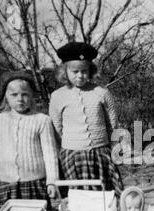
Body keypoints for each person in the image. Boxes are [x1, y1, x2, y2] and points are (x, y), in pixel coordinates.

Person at [49, 42, 123, 195]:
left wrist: (109, 144)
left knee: (105, 196)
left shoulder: (101, 93)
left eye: (84, 71)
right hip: (73, 155)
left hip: (100, 153)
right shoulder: (58, 96)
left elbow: (112, 122)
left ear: (90, 70)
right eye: (74, 71)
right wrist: (73, 142)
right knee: (79, 198)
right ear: (65, 71)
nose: (80, 75)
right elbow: (57, 127)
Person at [0, 71, 58, 205]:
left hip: (36, 183)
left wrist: (52, 181)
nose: (20, 99)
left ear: (32, 96)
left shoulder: (42, 120)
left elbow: (50, 154)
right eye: (14, 94)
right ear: (5, 97)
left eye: (25, 94)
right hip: (7, 184)